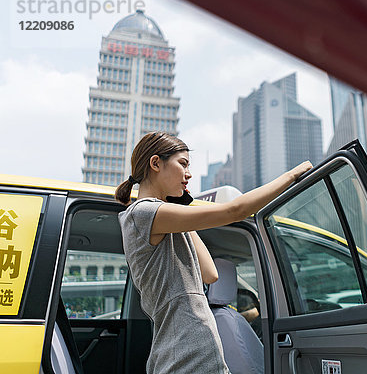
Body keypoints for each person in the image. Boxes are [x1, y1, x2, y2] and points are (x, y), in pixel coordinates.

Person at [115, 131, 312, 373]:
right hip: (185, 358)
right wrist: (292, 175)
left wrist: (182, 216)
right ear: (156, 163)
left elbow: (210, 274)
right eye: (183, 164)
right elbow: (234, 211)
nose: (189, 174)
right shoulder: (143, 213)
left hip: (194, 356)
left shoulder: (162, 219)